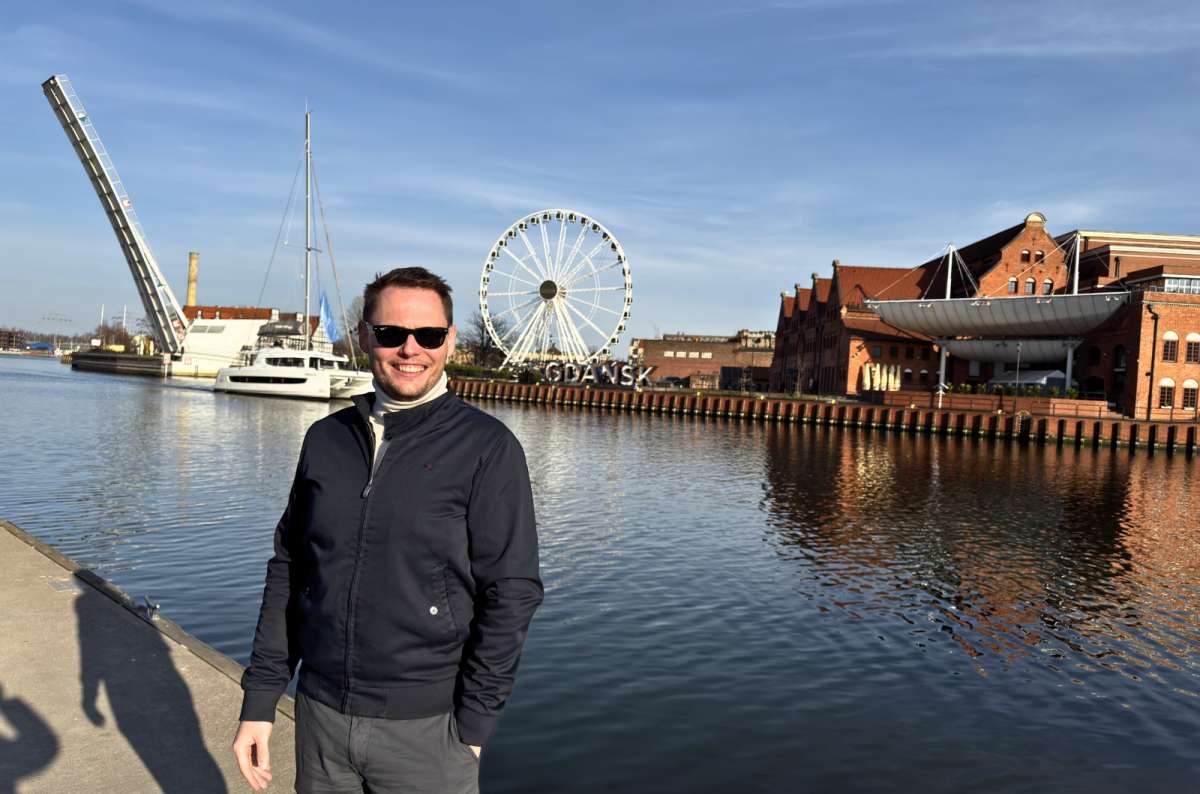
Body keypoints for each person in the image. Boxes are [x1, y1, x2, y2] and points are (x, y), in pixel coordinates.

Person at [232, 267, 543, 793]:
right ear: (364, 336)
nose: (410, 349)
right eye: (391, 334)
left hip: (428, 730)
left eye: (429, 335)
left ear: (448, 341)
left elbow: (512, 593)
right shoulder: (325, 440)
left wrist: (472, 728)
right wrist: (261, 700)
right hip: (320, 717)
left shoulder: (487, 449)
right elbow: (290, 569)